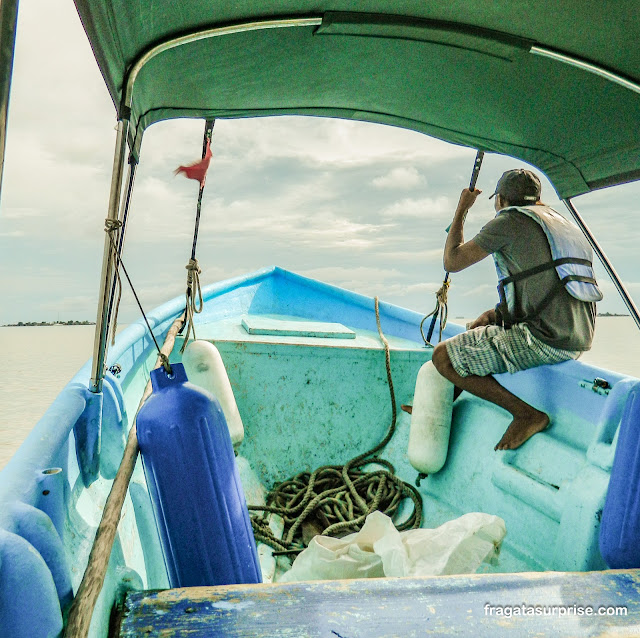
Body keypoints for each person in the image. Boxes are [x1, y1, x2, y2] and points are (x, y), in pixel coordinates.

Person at [431, 168, 602, 450]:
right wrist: (497, 315)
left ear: (502, 200)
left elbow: (452, 261)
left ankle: (526, 414)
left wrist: (462, 209)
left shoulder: (508, 221)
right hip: (579, 337)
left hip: (545, 340)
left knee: (443, 358)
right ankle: (443, 403)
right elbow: (547, 284)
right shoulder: (560, 223)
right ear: (537, 199)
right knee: (483, 322)